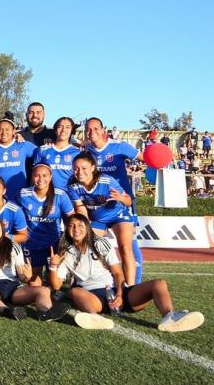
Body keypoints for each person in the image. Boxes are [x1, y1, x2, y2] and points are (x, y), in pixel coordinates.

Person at [48, 213, 204, 332]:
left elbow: (117, 272)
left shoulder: (100, 243)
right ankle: (94, 318)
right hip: (94, 298)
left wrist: (120, 295)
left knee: (159, 283)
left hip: (117, 292)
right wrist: (53, 266)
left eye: (80, 225)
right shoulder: (65, 253)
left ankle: (170, 316)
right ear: (67, 230)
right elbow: (56, 285)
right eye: (72, 226)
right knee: (75, 291)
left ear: (87, 228)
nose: (76, 229)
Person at [83, 117, 144, 283]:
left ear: (104, 130)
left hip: (122, 202)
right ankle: (101, 282)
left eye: (96, 128)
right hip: (97, 206)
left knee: (128, 245)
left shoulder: (120, 146)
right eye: (88, 129)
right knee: (93, 245)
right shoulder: (86, 151)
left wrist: (158, 161)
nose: (92, 132)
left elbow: (145, 158)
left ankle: (134, 284)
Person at [67, 153, 137, 286]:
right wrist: (86, 229)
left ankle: (130, 287)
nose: (79, 172)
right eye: (75, 168)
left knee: (125, 248)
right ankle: (83, 282)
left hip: (118, 214)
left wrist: (120, 198)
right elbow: (81, 208)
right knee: (85, 245)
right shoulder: (72, 185)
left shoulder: (107, 181)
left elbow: (128, 201)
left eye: (84, 168)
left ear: (93, 167)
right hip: (97, 218)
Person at [0, 215, 52, 320]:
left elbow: (22, 277)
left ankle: (45, 313)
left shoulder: (13, 246)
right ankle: (7, 311)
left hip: (14, 288)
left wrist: (28, 277)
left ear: (2, 228)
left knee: (44, 290)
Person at [19, 163, 74, 283]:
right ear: (32, 177)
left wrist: (69, 240)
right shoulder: (23, 194)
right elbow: (15, 215)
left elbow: (72, 218)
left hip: (53, 244)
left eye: (44, 175)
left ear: (50, 177)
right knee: (33, 282)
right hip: (32, 244)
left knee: (53, 283)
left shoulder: (60, 195)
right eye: (37, 175)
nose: (41, 179)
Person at [0, 117, 37, 203]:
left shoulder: (22, 145)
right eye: (0, 130)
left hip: (19, 195)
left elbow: (42, 154)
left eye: (7, 129)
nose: (3, 133)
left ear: (14, 131)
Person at [34, 117, 81, 191]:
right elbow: (34, 174)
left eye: (67, 127)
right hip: (47, 196)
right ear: (55, 130)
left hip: (68, 196)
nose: (63, 130)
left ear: (72, 131)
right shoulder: (43, 149)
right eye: (60, 127)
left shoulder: (77, 152)